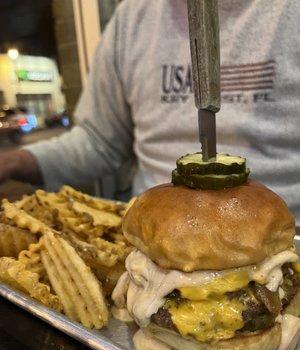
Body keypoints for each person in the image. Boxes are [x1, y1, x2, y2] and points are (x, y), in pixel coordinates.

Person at [0, 0, 299, 222]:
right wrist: (13, 162)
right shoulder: (132, 18)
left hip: (283, 231)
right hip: (153, 232)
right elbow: (98, 142)